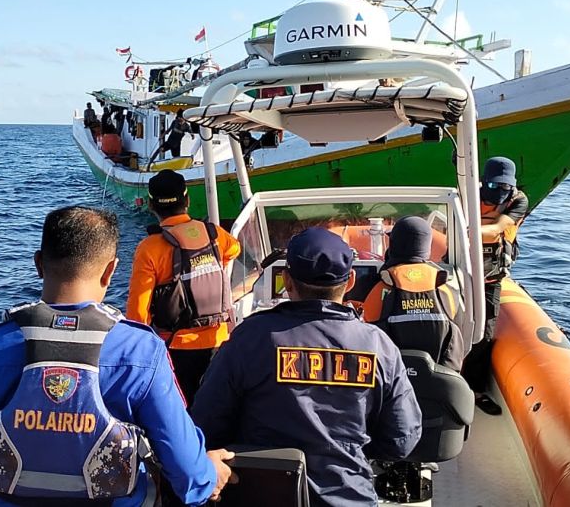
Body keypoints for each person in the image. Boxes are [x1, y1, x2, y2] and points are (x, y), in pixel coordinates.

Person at [0, 206, 234, 507]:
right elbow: (188, 476)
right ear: (111, 270)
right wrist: (210, 474)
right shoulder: (141, 352)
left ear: (39, 264)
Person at [192, 227, 422, 507]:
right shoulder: (378, 346)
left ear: (287, 281)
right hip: (350, 496)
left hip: (261, 494)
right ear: (349, 281)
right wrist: (348, 449)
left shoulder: (249, 339)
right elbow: (402, 439)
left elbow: (205, 421)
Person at [126, 170, 240, 406]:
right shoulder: (213, 233)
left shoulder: (150, 248)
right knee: (214, 409)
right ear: (187, 201)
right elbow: (234, 250)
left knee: (180, 410)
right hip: (219, 340)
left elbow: (138, 314)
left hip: (176, 347)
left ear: (151, 205)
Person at [462, 156, 528, 415]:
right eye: (494, 187)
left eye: (505, 187)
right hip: (463, 271)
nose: (499, 193)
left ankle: (475, 389)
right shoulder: (468, 194)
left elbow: (501, 227)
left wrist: (468, 228)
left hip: (492, 275)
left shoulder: (518, 201)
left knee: (485, 333)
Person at [362, 215, 465, 371]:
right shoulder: (444, 288)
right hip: (438, 382)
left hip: (394, 383)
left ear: (393, 246)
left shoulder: (383, 287)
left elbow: (368, 324)